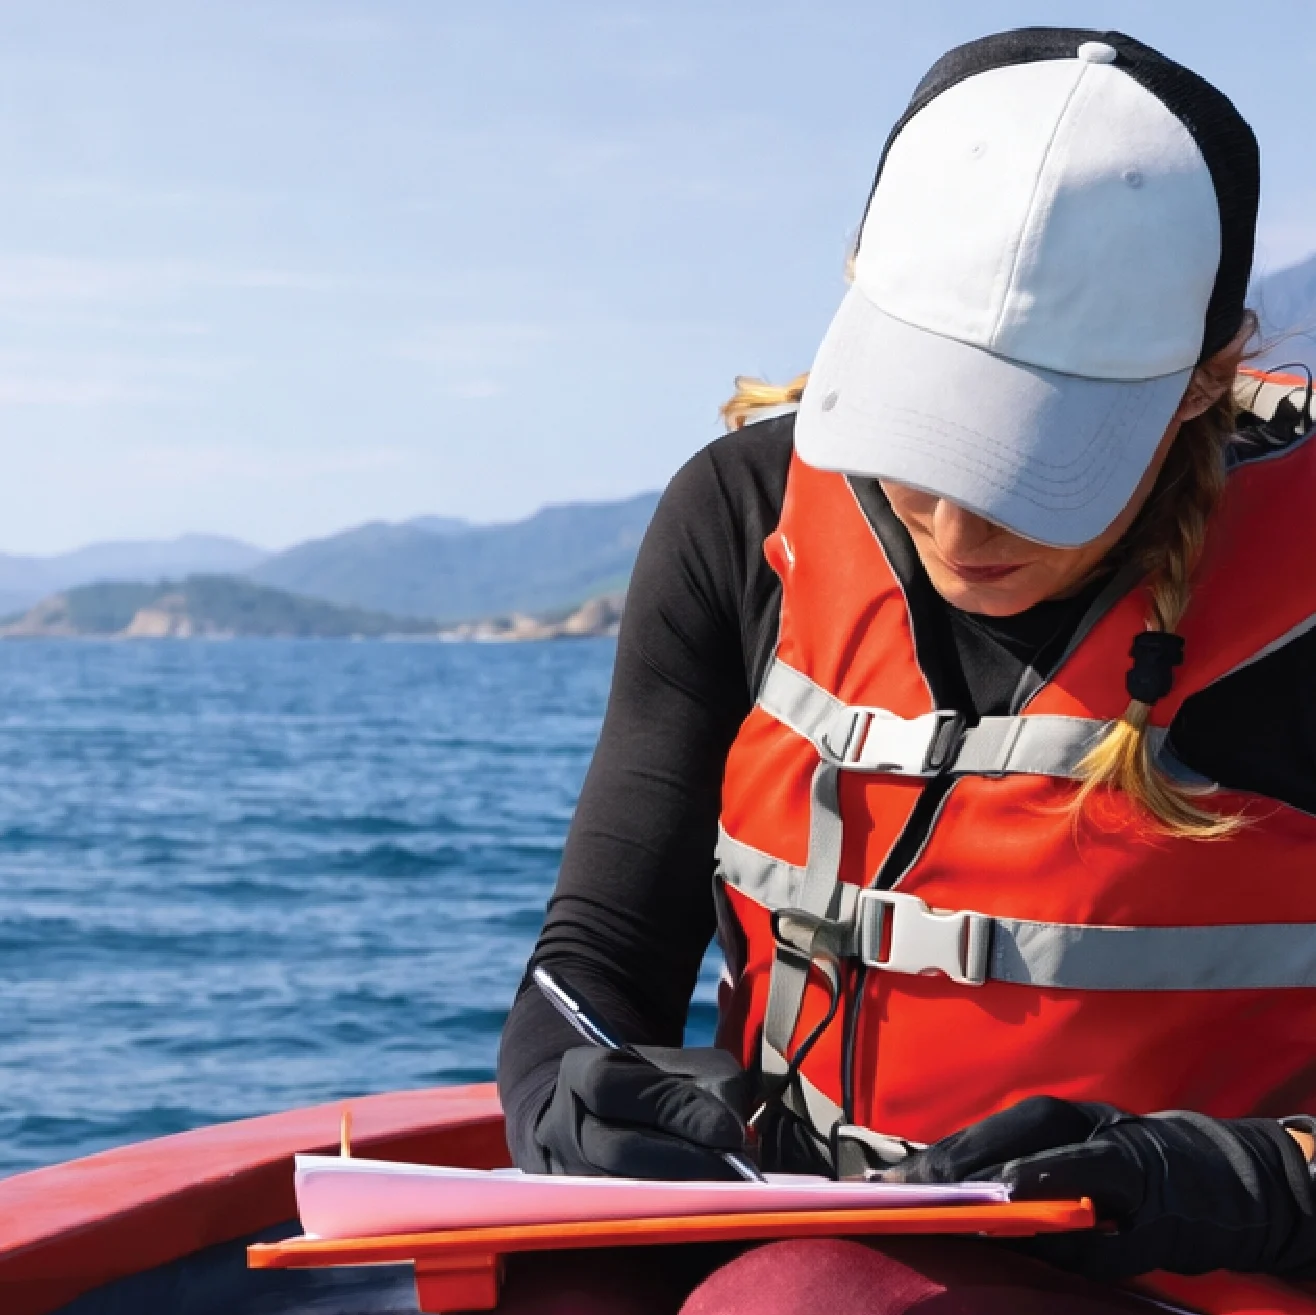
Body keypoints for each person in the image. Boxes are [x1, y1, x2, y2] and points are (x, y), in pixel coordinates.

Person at [497, 26, 1316, 1314]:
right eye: (921, 442)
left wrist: (1228, 1182)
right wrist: (571, 1098)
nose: (953, 527)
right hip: (784, 1262)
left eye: (1040, 470)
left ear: (1206, 382)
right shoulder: (738, 517)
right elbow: (592, 960)